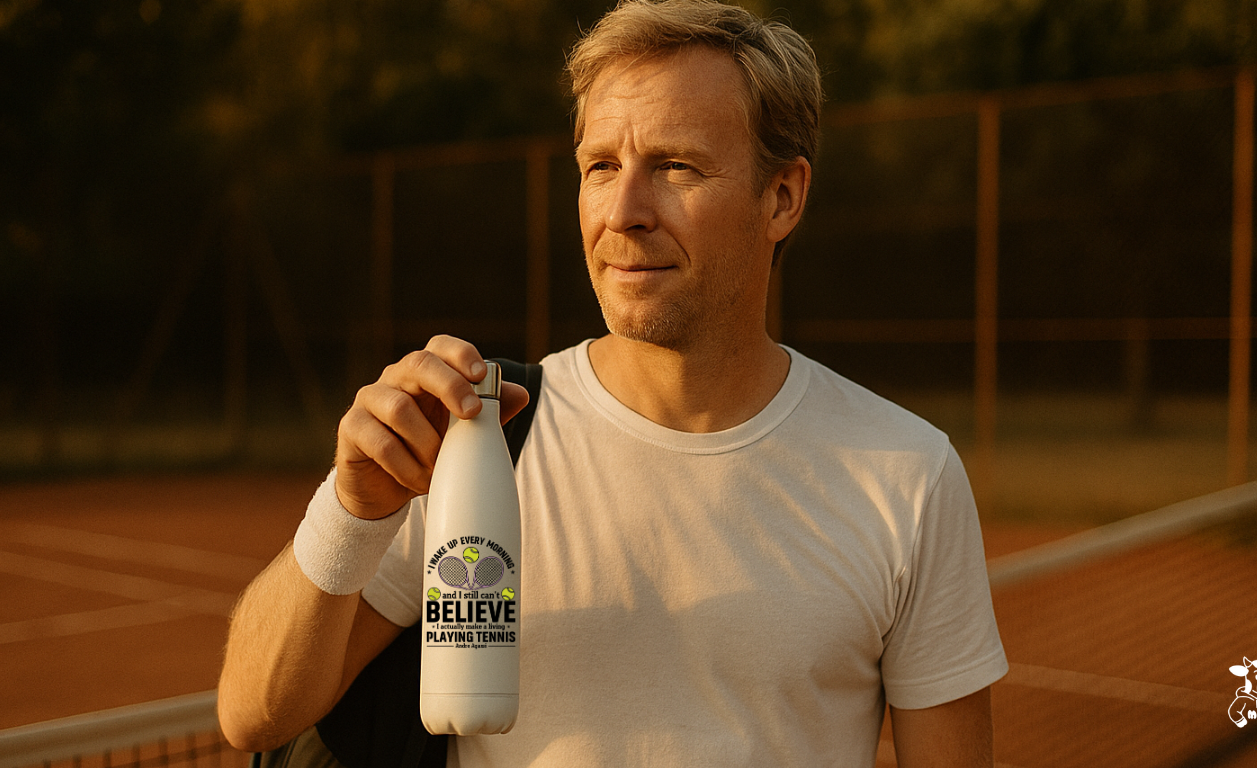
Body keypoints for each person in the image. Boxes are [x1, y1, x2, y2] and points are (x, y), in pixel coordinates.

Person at [217, 1, 1008, 766]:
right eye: (601, 166)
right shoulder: (469, 441)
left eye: (675, 166)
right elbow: (253, 713)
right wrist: (351, 510)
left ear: (782, 197)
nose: (624, 211)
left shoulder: (909, 475)